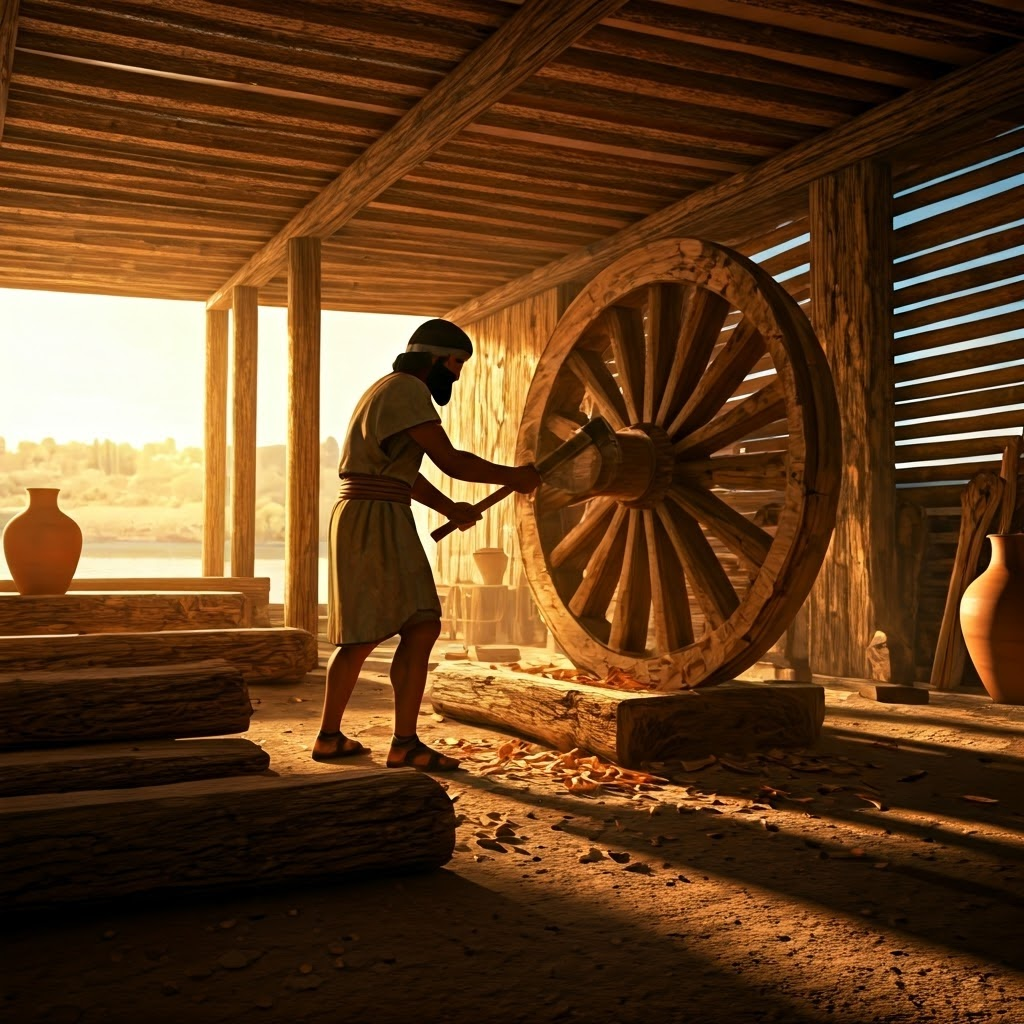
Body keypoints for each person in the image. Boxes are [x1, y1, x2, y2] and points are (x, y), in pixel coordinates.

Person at [313, 318, 541, 772]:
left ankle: (348, 738)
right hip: (373, 517)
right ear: (435, 358)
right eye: (455, 363)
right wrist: (513, 475)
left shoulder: (384, 390)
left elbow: (403, 471)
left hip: (378, 511)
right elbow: (451, 461)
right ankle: (386, 742)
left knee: (415, 625)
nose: (456, 374)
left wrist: (447, 508)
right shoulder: (407, 391)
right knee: (378, 631)